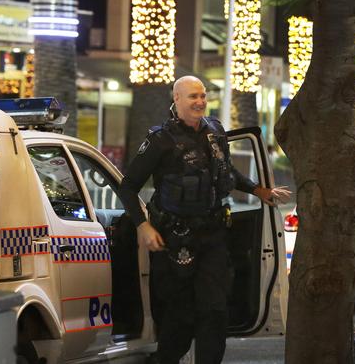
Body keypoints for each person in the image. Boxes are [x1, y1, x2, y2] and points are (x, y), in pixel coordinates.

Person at [119, 76, 290, 364]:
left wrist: (259, 190)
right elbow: (127, 187)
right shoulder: (160, 139)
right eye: (192, 97)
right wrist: (143, 225)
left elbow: (227, 172)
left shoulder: (215, 131)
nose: (199, 101)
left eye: (202, 95)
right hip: (174, 240)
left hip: (212, 236)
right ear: (176, 99)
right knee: (180, 320)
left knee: (215, 312)